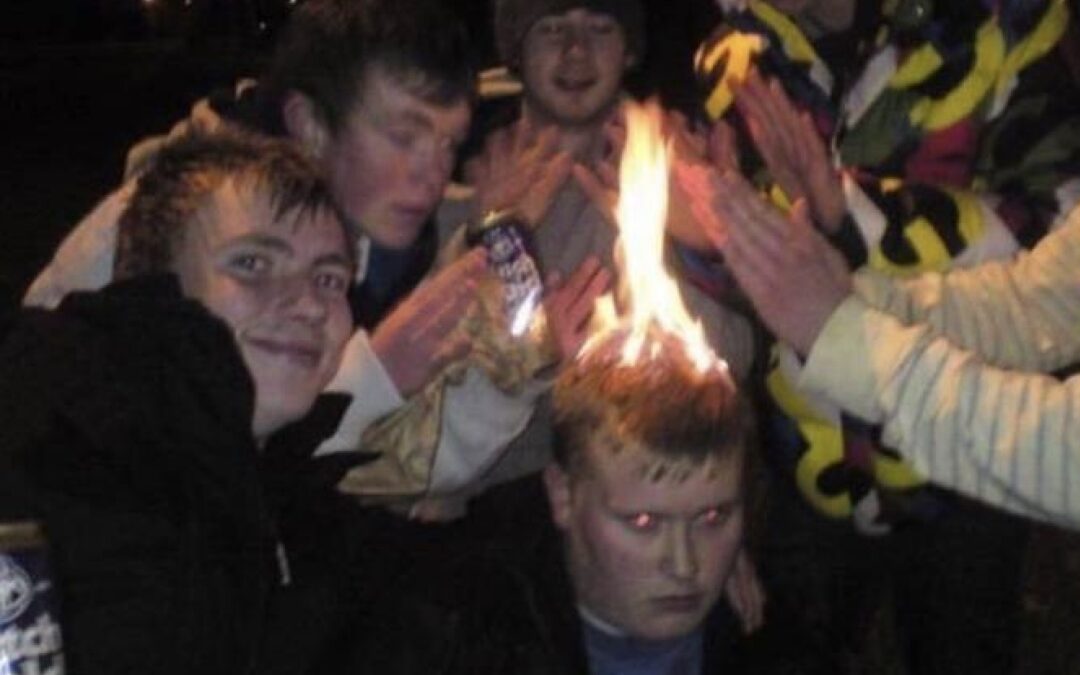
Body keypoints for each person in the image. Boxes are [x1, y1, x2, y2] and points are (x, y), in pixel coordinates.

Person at [678, 1, 1080, 671]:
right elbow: (1041, 298)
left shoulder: (1003, 27)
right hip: (813, 457)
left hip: (968, 481)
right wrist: (820, 293)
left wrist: (855, 246)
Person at [19, 0, 524, 474]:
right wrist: (373, 378)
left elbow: (385, 474)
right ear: (311, 126)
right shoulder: (155, 224)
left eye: (449, 144)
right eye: (403, 137)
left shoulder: (387, 240)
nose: (432, 172)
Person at [0, 131, 386, 674]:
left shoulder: (281, 508)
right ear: (151, 282)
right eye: (252, 264)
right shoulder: (56, 435)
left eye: (329, 279)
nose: (309, 305)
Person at [357, 0, 756, 515]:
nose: (576, 51)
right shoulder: (446, 182)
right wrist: (489, 240)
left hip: (645, 499)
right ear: (516, 50)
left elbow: (730, 367)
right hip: (488, 512)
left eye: (600, 27)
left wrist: (696, 245)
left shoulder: (676, 166)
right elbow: (404, 409)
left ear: (629, 49)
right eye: (551, 28)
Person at [344, 327, 826, 674]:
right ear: (562, 495)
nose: (684, 565)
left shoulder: (790, 638)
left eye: (712, 517)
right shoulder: (450, 632)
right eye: (644, 522)